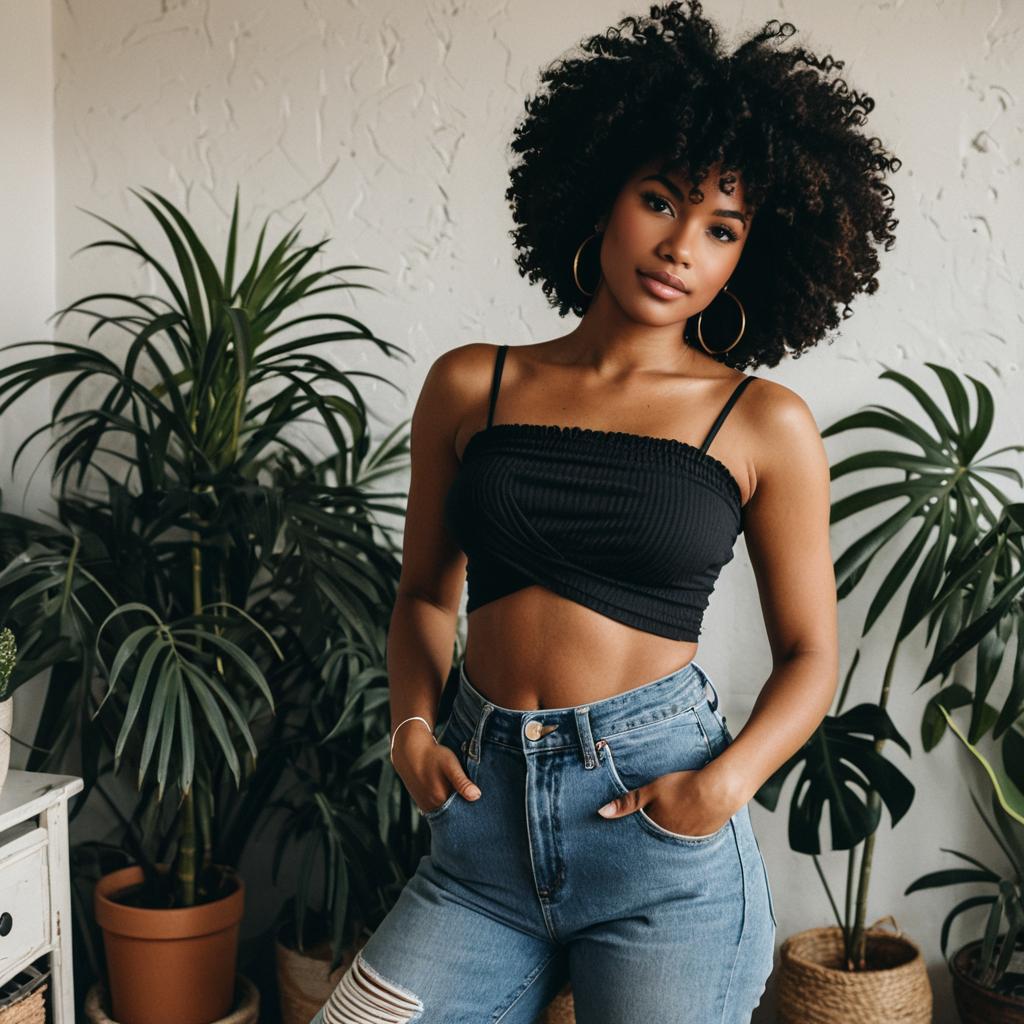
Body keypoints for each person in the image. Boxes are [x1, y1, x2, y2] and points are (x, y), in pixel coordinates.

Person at [311, 1, 899, 1020]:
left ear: (747, 258)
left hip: (657, 834)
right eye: (661, 200)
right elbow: (420, 595)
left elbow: (810, 656)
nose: (682, 246)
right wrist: (411, 727)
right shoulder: (471, 385)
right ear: (599, 194)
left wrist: (722, 787)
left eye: (722, 227)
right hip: (480, 836)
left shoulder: (761, 422)